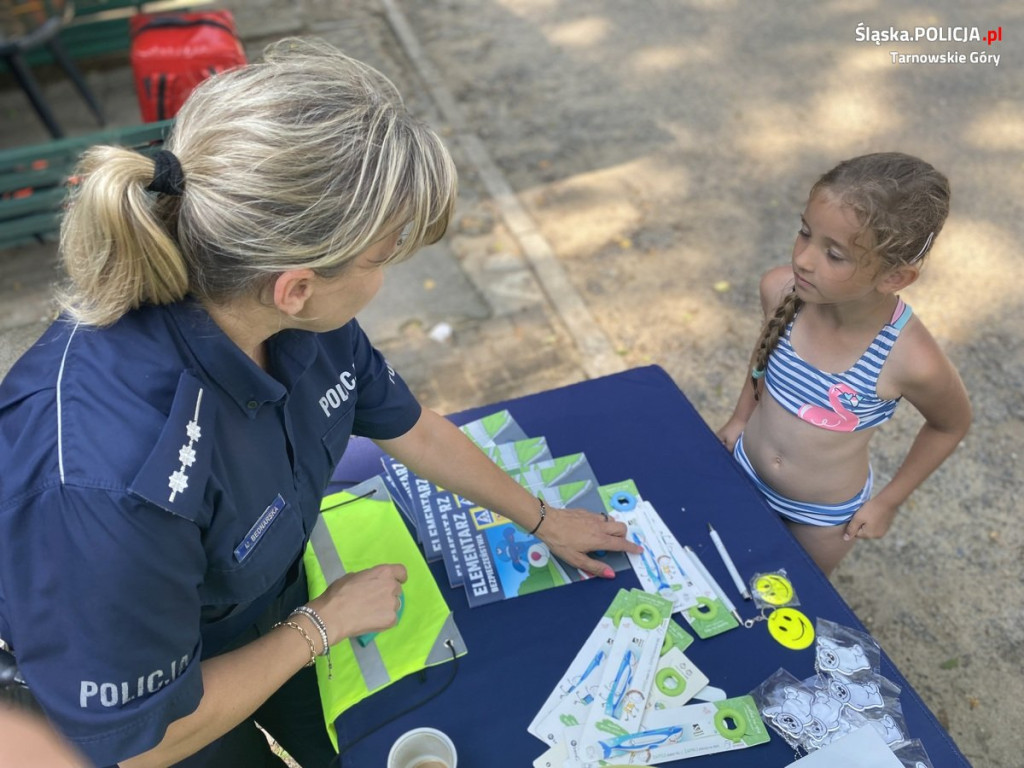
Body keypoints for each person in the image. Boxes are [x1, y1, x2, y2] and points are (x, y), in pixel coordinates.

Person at [0, 38, 639, 768]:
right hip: (163, 706)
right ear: (295, 284)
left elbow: (411, 426)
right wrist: (318, 627)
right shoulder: (105, 480)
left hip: (264, 608)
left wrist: (543, 516)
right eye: (383, 257)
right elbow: (135, 744)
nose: (388, 274)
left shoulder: (290, 315)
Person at [717, 153, 971, 575]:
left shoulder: (911, 359)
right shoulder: (780, 290)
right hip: (743, 468)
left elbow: (950, 424)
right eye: (804, 233)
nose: (803, 259)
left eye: (834, 254)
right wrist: (739, 417)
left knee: (791, 602)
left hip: (819, 519)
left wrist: (888, 501)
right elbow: (763, 356)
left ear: (894, 277)